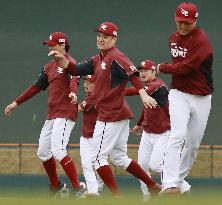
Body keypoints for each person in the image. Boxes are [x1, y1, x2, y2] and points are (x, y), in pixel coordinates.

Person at [49, 22, 161, 196]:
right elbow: (76, 69)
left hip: (111, 115)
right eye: (99, 36)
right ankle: (153, 187)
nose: (101, 39)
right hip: (118, 114)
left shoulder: (116, 56)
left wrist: (143, 94)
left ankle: (117, 196)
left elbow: (133, 73)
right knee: (120, 158)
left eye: (105, 36)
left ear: (114, 39)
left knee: (97, 158)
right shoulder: (98, 58)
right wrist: (62, 59)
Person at [4, 32, 86, 197]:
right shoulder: (49, 67)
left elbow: (74, 78)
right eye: (48, 43)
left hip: (65, 112)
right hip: (52, 114)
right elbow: (35, 87)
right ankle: (57, 185)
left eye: (53, 43)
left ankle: (78, 188)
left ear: (62, 45)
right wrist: (16, 102)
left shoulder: (70, 62)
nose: (49, 46)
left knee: (58, 150)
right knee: (43, 151)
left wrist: (73, 93)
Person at [156, 2, 214, 193]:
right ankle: (170, 183)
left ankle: (178, 181)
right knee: (177, 135)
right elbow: (180, 70)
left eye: (186, 22)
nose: (182, 26)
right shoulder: (173, 38)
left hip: (201, 97)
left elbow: (188, 67)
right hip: (179, 93)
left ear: (195, 21)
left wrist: (162, 67)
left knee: (193, 144)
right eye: (179, 21)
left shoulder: (201, 40)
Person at [125, 59, 170, 201]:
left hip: (163, 133)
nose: (142, 73)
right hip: (148, 134)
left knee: (156, 165)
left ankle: (180, 185)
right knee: (142, 168)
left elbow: (134, 91)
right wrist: (139, 124)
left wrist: (116, 91)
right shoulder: (148, 88)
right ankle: (148, 197)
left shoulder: (158, 85)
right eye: (141, 71)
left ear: (154, 71)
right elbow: (147, 109)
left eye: (146, 70)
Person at [75, 75, 103, 196]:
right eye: (85, 81)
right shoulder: (89, 96)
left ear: (96, 84)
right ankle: (93, 192)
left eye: (89, 82)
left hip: (97, 137)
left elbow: (77, 109)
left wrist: (62, 108)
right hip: (86, 136)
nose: (85, 84)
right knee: (87, 164)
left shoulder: (94, 96)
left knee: (99, 165)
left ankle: (96, 190)